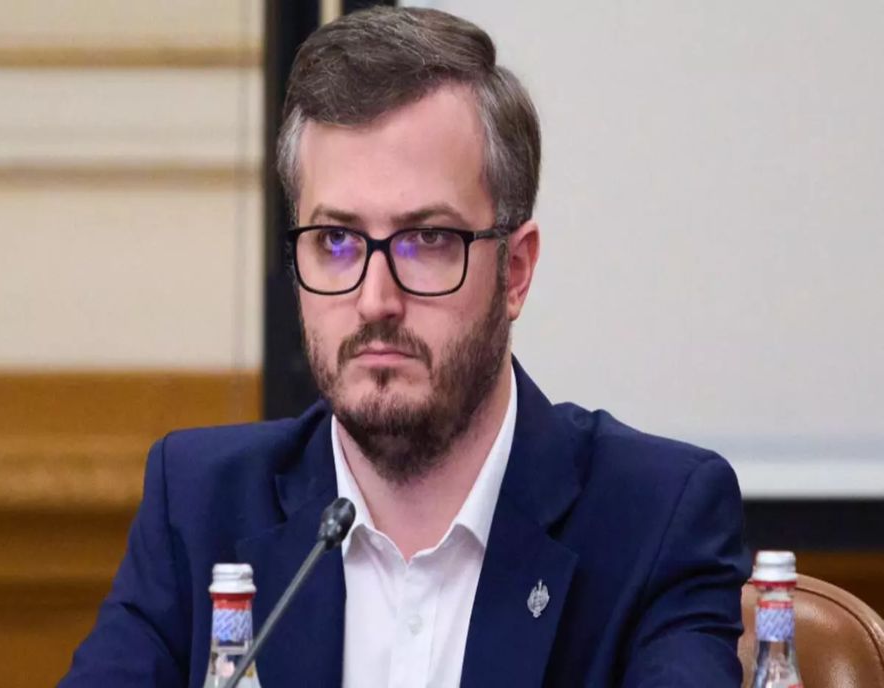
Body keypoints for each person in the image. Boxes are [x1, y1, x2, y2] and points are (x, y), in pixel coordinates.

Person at [60, 7, 750, 687]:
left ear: (515, 271)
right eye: (336, 241)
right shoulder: (200, 508)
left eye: (427, 240)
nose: (375, 300)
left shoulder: (654, 521)